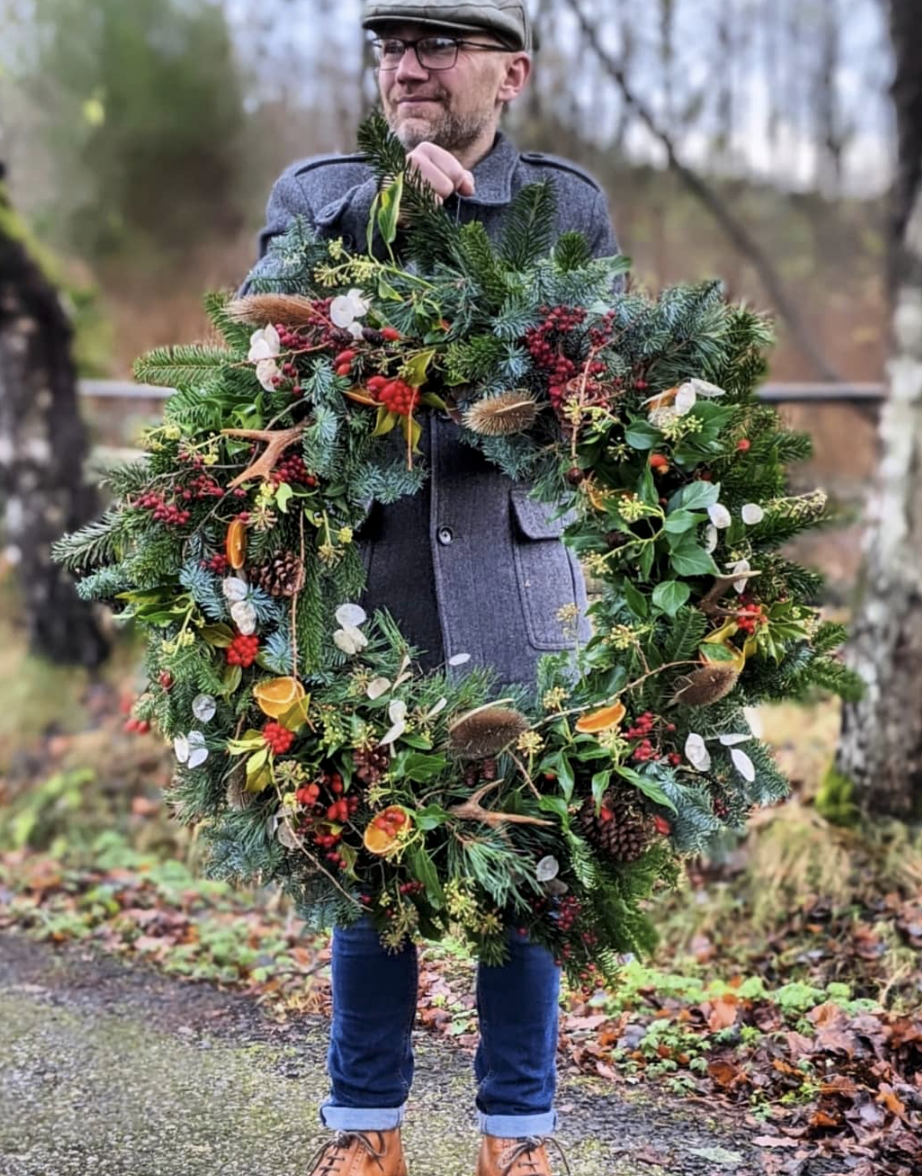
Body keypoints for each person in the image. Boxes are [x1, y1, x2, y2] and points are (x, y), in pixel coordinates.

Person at [239, 4, 621, 1173]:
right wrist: (387, 213)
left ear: (507, 71)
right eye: (390, 48)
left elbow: (584, 372)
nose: (406, 67)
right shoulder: (320, 191)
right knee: (373, 851)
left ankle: (516, 1138)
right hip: (372, 565)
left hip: (518, 567)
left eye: (437, 47)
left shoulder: (566, 202)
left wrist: (470, 249)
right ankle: (365, 1133)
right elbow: (268, 310)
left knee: (528, 864)